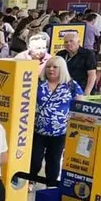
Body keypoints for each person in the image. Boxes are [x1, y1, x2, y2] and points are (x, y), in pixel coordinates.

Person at [30, 56, 84, 184]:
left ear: (62, 69)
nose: (51, 69)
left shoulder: (71, 85)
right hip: (38, 131)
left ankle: (51, 186)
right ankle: (30, 182)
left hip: (59, 133)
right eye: (48, 66)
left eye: (55, 67)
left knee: (54, 161)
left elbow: (81, 106)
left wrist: (73, 120)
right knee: (34, 160)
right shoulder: (38, 83)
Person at [56, 31, 98, 96]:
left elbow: (92, 75)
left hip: (81, 89)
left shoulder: (88, 54)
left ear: (78, 42)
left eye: (71, 41)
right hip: (64, 89)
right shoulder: (60, 54)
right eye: (66, 42)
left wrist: (87, 92)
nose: (68, 43)